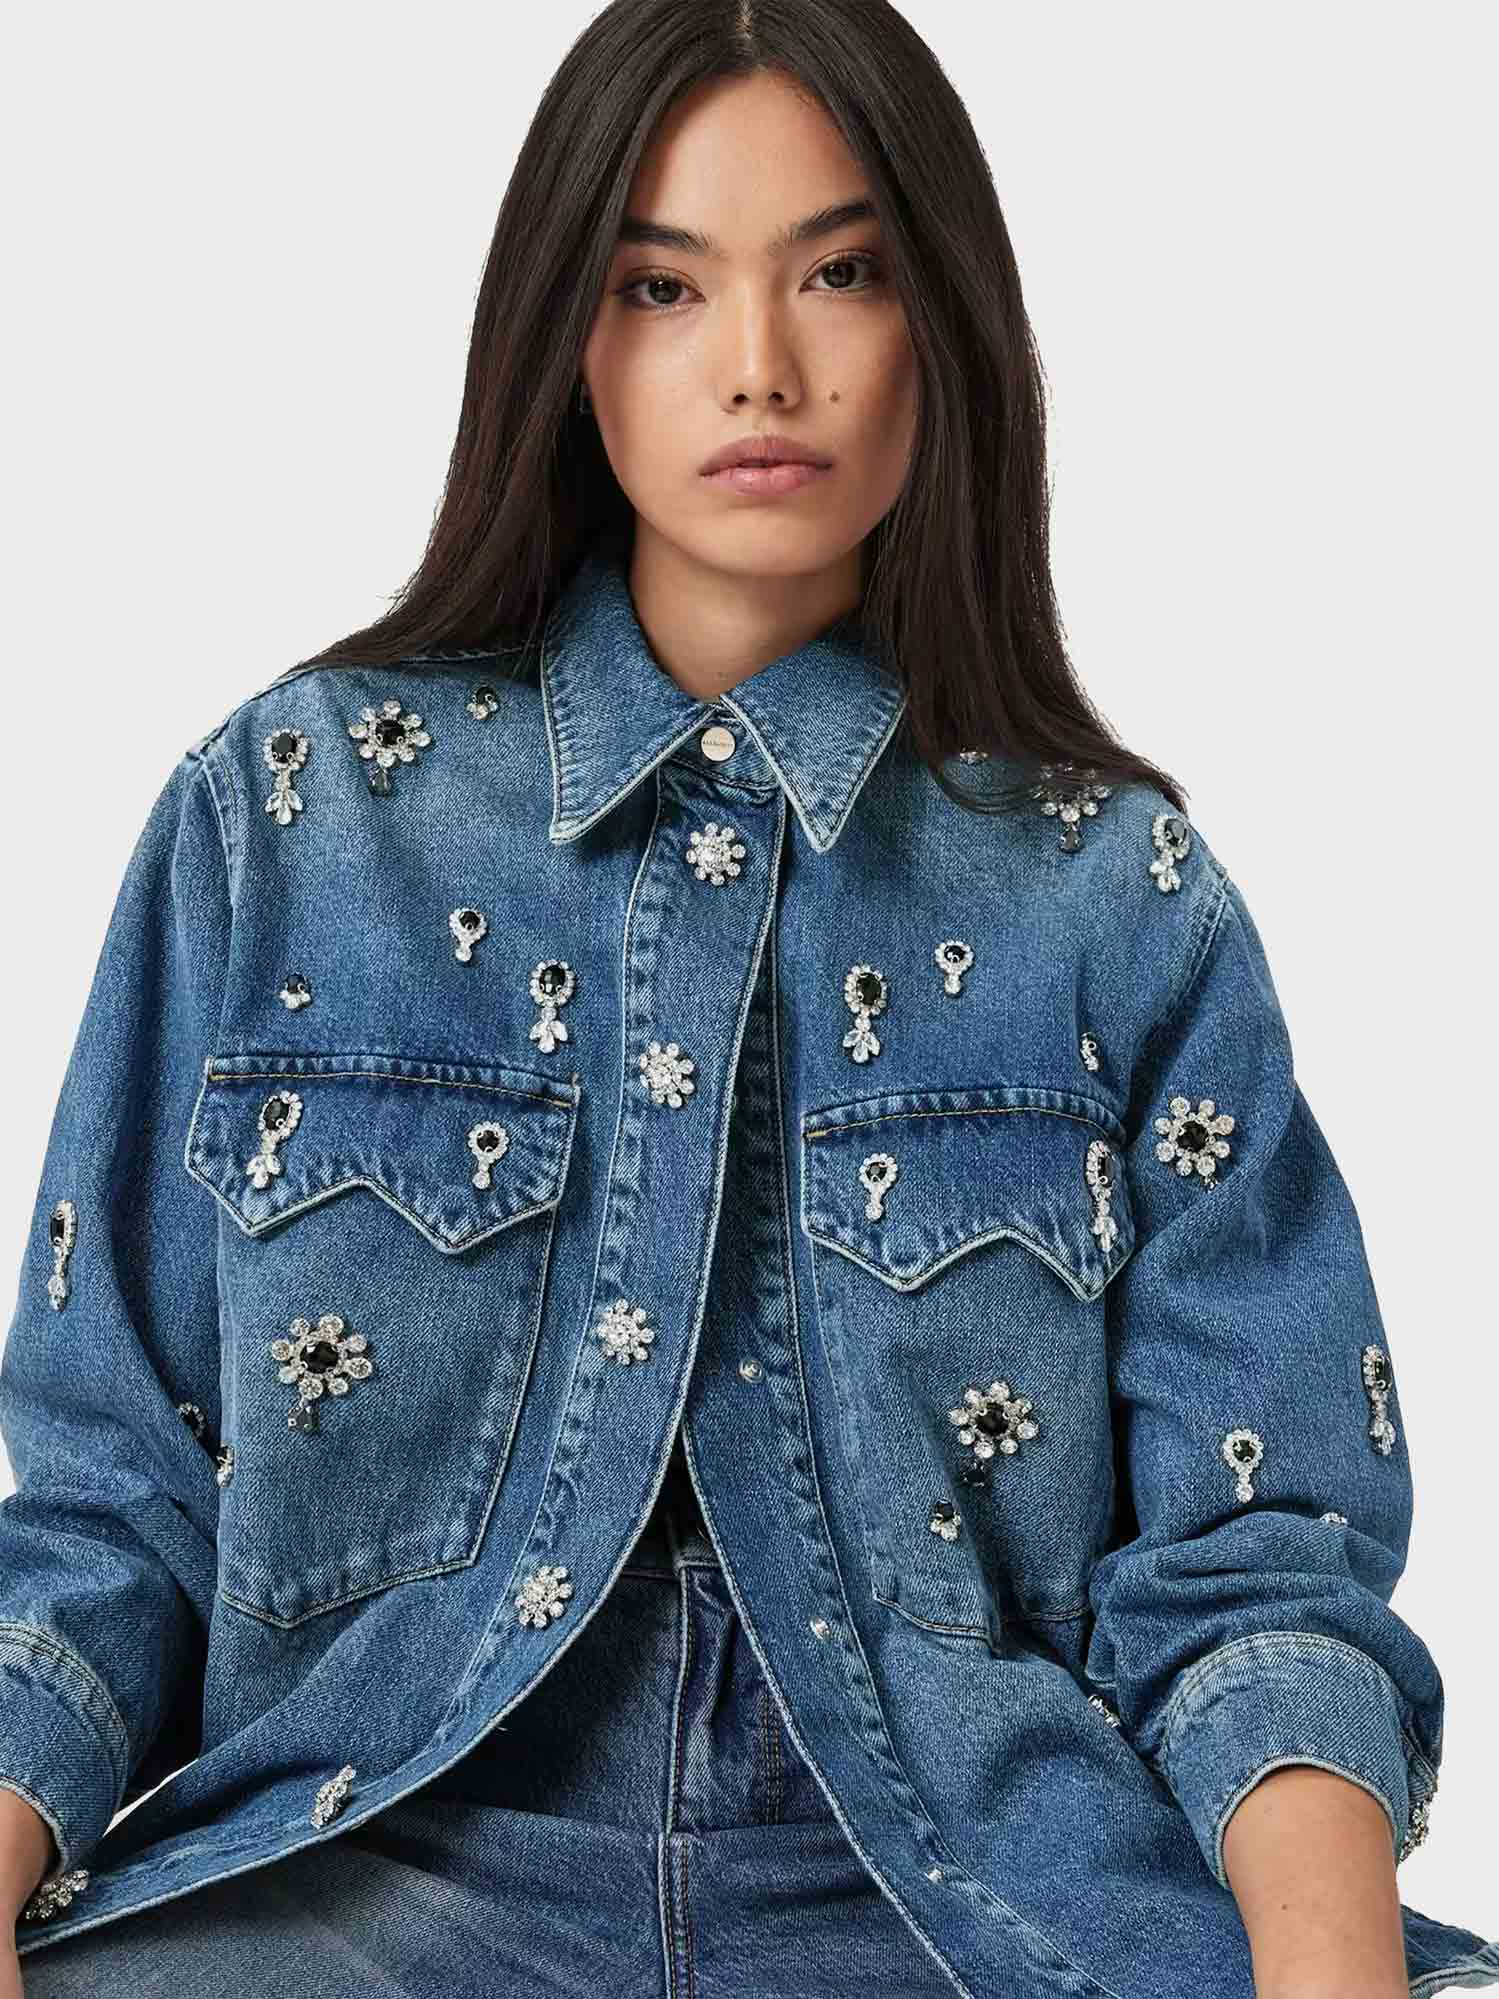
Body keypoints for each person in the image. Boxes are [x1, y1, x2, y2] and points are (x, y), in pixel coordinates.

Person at [2, 4, 1495, 1995]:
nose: (761, 365)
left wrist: (1331, 1982)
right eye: (663, 284)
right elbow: (110, 1504)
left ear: (941, 326)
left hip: (962, 1902)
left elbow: (1259, 1569)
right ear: (567, 338)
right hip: (372, 1881)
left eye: (841, 273)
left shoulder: (1110, 896)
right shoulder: (288, 823)